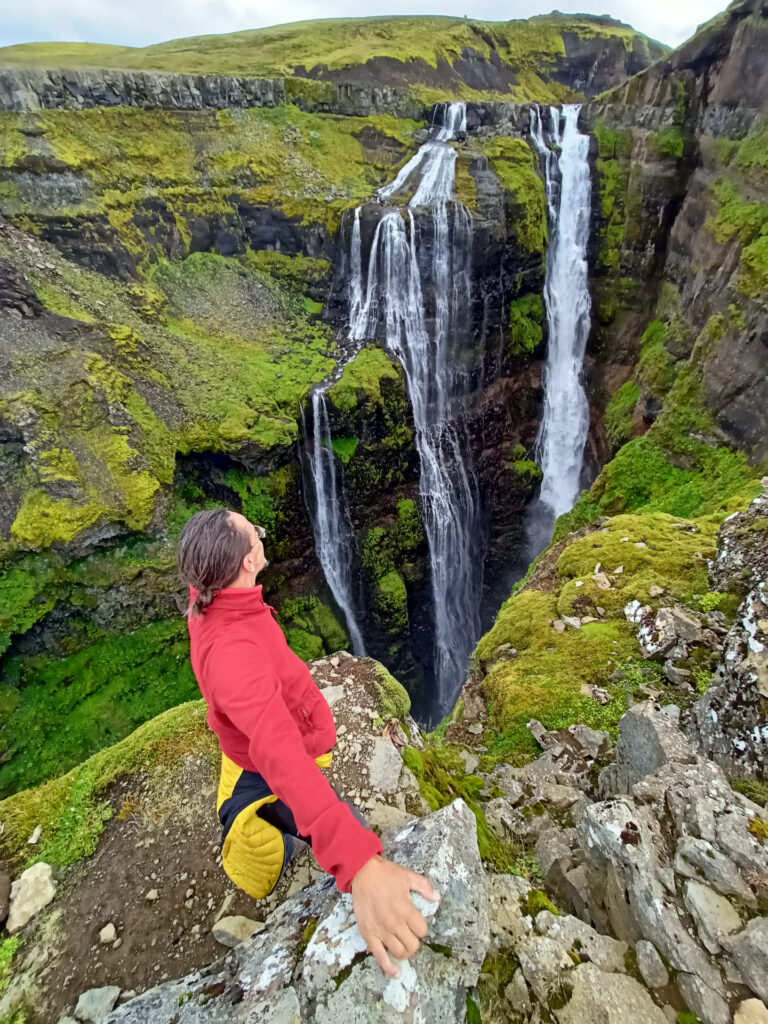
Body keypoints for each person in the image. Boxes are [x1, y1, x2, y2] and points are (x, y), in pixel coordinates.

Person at [177, 507, 439, 978]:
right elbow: (279, 756)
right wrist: (359, 865)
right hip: (263, 766)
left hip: (266, 737)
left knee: (297, 796)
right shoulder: (234, 657)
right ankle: (290, 850)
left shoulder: (210, 597)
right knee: (323, 814)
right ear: (246, 564)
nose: (261, 536)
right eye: (255, 535)